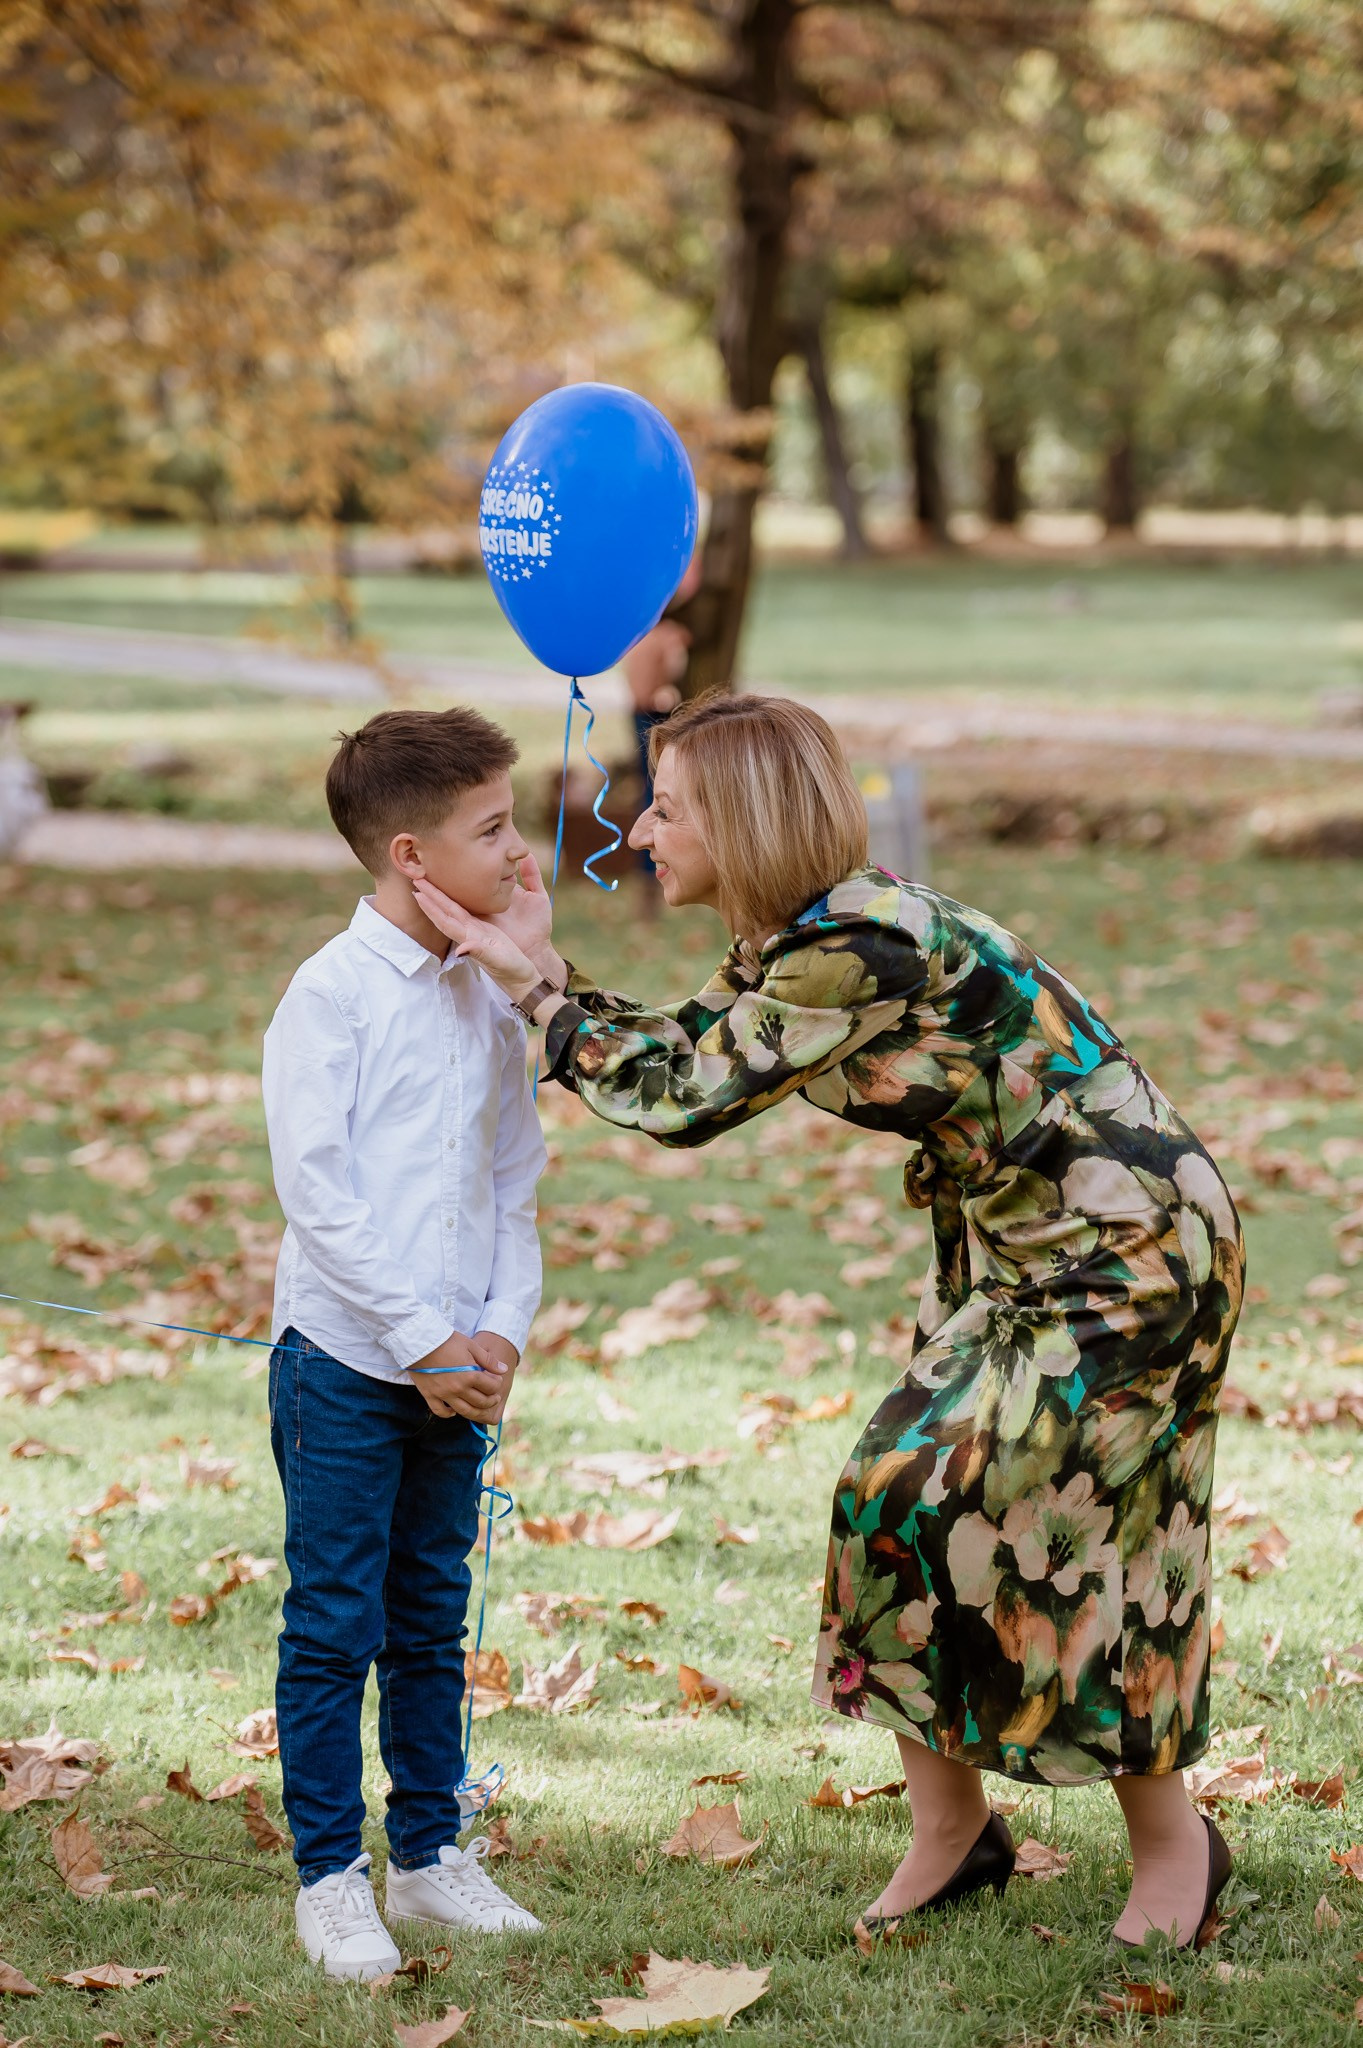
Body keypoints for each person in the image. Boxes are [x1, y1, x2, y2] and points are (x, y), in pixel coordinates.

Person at [413, 692, 1245, 1953]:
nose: (640, 828)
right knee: (891, 1492)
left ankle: (1175, 1842)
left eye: (671, 805)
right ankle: (954, 1833)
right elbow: (691, 1044)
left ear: (742, 820)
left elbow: (683, 1100)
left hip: (1130, 1253)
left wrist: (535, 994)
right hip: (1021, 1253)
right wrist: (547, 974)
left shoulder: (858, 945)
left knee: (1088, 1529)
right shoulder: (795, 937)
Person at [262, 707, 546, 1980]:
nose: (521, 850)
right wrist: (421, 1334)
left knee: (433, 1613)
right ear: (410, 854)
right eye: (492, 829)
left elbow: (513, 1184)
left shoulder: (490, 997)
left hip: (457, 1367)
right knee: (336, 1620)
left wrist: (496, 1329)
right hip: (344, 1361)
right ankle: (330, 1876)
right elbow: (317, 1197)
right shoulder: (329, 996)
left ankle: (429, 1855)